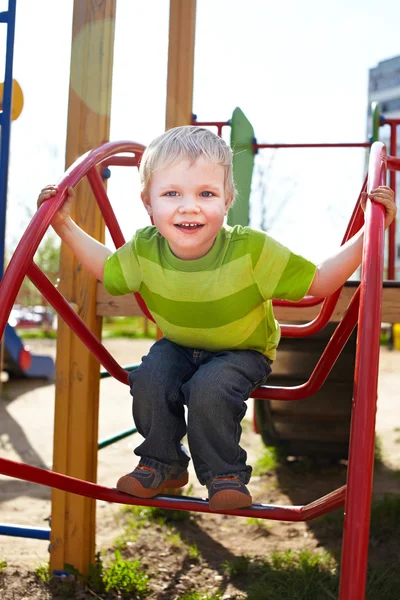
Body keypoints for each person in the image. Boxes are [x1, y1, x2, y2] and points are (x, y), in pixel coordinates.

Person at [38, 126, 396, 511]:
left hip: (243, 350)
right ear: (148, 202)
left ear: (227, 201)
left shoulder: (251, 250)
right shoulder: (144, 249)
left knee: (209, 387)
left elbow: (321, 282)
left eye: (206, 194)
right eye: (171, 193)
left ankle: (225, 474)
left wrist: (370, 233)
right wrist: (63, 224)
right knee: (150, 376)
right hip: (178, 345)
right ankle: (162, 464)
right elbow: (106, 267)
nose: (189, 206)